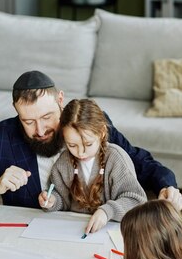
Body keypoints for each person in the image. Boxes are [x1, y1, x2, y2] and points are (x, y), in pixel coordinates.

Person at [0, 70, 182, 210]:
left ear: (60, 100)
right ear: (16, 112)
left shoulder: (87, 124)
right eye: (28, 121)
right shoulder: (0, 138)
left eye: (47, 117)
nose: (40, 129)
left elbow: (138, 161)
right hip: (30, 236)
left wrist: (166, 185)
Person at [40, 99, 147, 233]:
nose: (80, 152)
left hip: (113, 231)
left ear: (102, 132)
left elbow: (136, 200)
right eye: (72, 145)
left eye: (88, 144)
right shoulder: (63, 163)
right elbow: (63, 200)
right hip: (76, 232)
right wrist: (52, 201)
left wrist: (107, 211)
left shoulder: (115, 158)